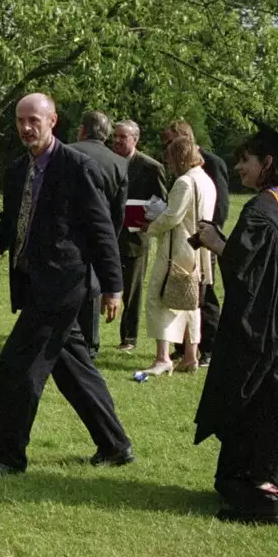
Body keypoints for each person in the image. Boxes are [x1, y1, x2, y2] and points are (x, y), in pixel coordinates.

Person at [0, 93, 131, 476]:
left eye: (34, 121)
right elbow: (14, 220)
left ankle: (7, 457)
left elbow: (102, 231)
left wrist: (114, 287)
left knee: (16, 365)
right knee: (71, 366)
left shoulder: (77, 168)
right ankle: (115, 444)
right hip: (32, 283)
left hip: (63, 285)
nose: (27, 128)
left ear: (53, 121)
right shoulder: (16, 171)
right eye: (21, 121)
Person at [193, 124, 278, 525]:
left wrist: (216, 242)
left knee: (256, 408)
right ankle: (276, 480)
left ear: (267, 163)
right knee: (277, 409)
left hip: (265, 336)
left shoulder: (261, 210)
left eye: (245, 160)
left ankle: (260, 499)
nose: (238, 167)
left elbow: (248, 274)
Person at [137, 126, 217, 377]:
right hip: (198, 247)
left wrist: (149, 226)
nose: (169, 164)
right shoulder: (205, 179)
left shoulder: (185, 181)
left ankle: (163, 358)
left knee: (158, 299)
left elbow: (172, 217)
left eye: (171, 159)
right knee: (189, 302)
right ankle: (191, 356)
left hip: (178, 247)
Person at [163, 120, 231, 362]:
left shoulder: (212, 163)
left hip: (204, 238)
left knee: (204, 294)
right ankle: (184, 347)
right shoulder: (179, 166)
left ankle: (209, 348)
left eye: (170, 140)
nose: (167, 146)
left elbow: (220, 207)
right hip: (183, 239)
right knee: (182, 291)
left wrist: (207, 235)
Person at [64, 110, 128, 355]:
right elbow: (118, 212)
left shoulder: (66, 153)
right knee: (92, 290)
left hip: (67, 233)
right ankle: (89, 344)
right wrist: (110, 239)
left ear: (82, 130)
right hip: (100, 234)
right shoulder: (119, 163)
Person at [112, 120, 168, 351]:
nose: (117, 141)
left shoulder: (150, 167)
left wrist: (140, 215)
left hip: (135, 237)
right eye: (115, 136)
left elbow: (162, 202)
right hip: (109, 235)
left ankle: (129, 338)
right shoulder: (108, 162)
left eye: (122, 137)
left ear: (135, 139)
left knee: (132, 290)